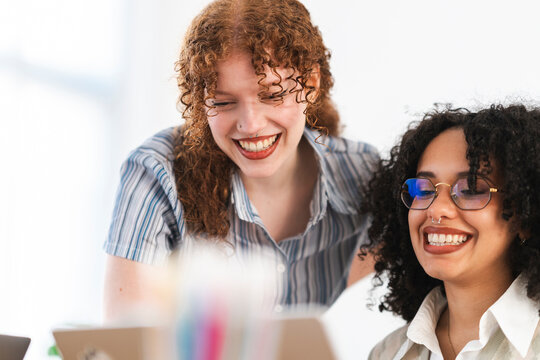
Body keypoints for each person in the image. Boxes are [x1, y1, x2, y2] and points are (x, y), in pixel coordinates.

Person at [103, 0, 379, 319]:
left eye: (273, 95)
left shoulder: (366, 177)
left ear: (311, 84)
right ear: (201, 102)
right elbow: (122, 344)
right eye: (223, 102)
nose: (250, 125)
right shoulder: (156, 171)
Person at [363, 104, 540, 359]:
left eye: (470, 189)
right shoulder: (388, 353)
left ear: (525, 212)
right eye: (423, 189)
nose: (436, 210)